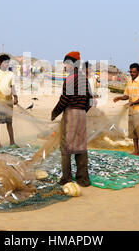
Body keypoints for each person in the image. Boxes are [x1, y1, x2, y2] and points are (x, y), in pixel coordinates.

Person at [51, 51, 93, 187]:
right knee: (80, 147)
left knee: (66, 148)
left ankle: (66, 178)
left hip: (71, 116)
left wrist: (55, 112)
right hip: (81, 116)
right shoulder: (84, 79)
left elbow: (64, 100)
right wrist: (83, 111)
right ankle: (83, 179)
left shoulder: (70, 79)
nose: (64, 66)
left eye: (66, 64)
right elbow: (90, 101)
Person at [113, 63, 139, 156]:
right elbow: (126, 95)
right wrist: (119, 98)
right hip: (131, 112)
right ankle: (136, 150)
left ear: (138, 72)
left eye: (134, 72)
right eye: (131, 72)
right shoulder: (129, 81)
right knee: (133, 133)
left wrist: (133, 102)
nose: (132, 74)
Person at [0, 54, 19, 148]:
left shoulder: (11, 74)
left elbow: (12, 87)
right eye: (5, 62)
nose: (6, 64)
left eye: (8, 62)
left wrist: (15, 97)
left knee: (9, 122)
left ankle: (12, 142)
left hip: (8, 101)